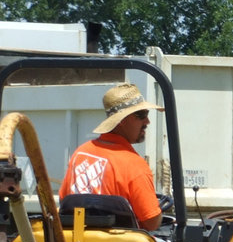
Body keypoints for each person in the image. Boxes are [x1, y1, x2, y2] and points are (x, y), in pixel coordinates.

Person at [59, 82, 164, 232]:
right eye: (141, 115)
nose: (147, 121)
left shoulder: (80, 154)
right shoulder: (134, 164)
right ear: (122, 121)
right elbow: (152, 222)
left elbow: (65, 201)